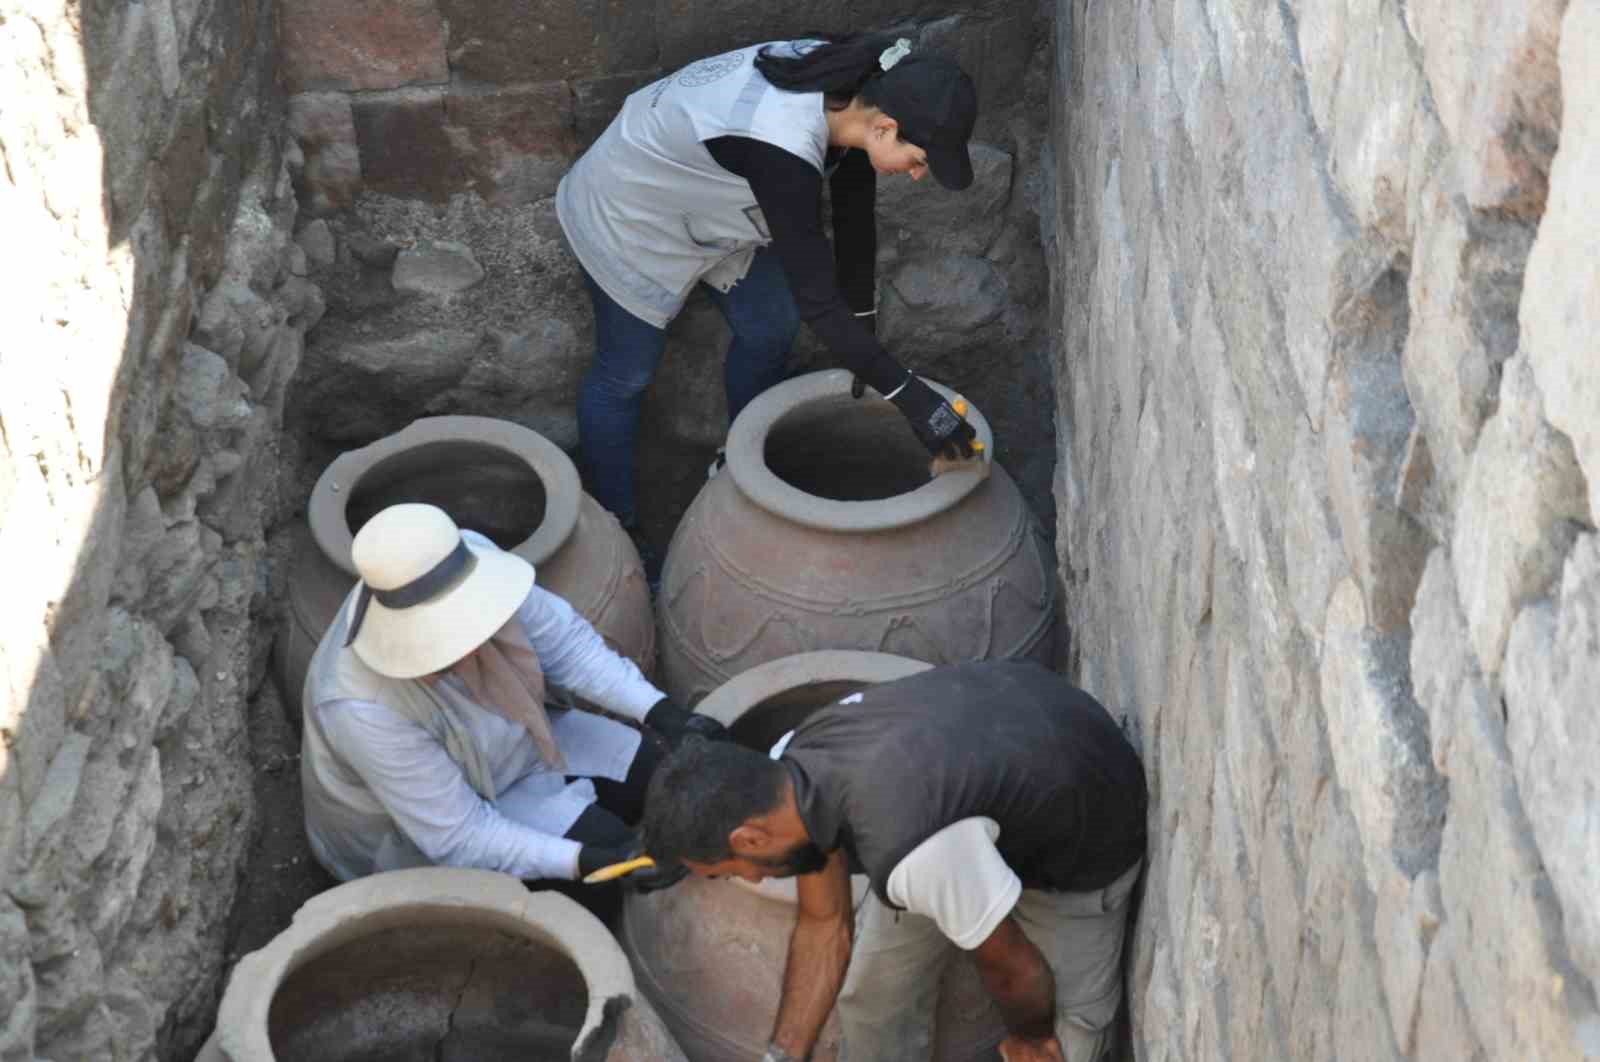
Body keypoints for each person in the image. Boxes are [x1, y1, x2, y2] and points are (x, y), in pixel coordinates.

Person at [557, 30, 982, 546]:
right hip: (629, 209)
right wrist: (914, 400)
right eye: (919, 160)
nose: (917, 175)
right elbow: (820, 305)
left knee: (770, 323)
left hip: (711, 200)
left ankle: (740, 462)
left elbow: (853, 222)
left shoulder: (855, 96)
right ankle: (614, 532)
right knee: (626, 371)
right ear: (886, 128)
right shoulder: (781, 146)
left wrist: (865, 332)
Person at [642, 661, 1149, 1062]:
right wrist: (783, 1057)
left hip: (1083, 825)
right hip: (987, 773)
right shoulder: (794, 777)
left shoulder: (915, 851)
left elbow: (1017, 971)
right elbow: (824, 924)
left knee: (1064, 1041)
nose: (745, 879)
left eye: (726, 871)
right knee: (874, 993)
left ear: (749, 839)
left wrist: (1029, 1040)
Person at [300, 502, 724, 890]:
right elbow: (459, 834)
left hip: (515, 734)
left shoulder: (465, 561)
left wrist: (660, 711)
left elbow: (566, 646)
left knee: (660, 775)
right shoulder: (361, 708)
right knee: (604, 876)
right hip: (427, 822)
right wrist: (585, 860)